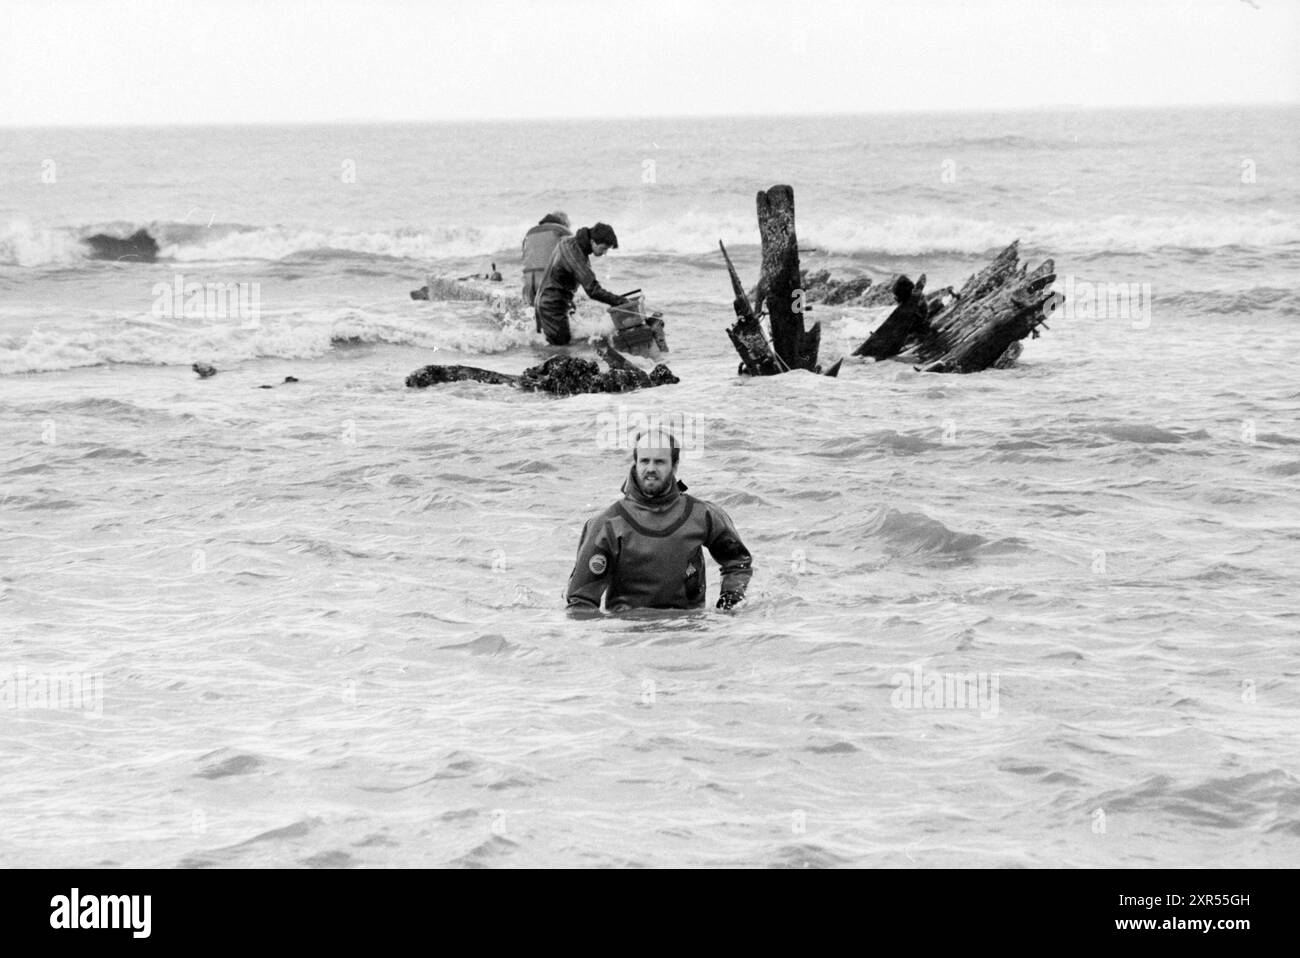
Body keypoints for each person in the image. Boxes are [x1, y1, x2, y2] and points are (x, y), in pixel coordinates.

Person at [565, 428, 754, 613]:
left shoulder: (701, 514)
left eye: (660, 462)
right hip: (627, 633)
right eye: (644, 461)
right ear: (635, 463)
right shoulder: (607, 524)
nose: (651, 469)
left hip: (692, 632)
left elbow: (738, 563)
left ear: (675, 465)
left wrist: (729, 601)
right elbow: (581, 603)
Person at [534, 222, 629, 345]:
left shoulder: (571, 242)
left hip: (549, 301)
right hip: (551, 306)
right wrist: (620, 301)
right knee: (560, 348)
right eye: (603, 248)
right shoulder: (575, 253)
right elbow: (593, 290)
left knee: (558, 344)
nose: (604, 253)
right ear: (593, 241)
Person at [852, 275, 931, 360]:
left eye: (896, 296)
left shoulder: (911, 306)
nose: (895, 299)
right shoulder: (915, 301)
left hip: (915, 332)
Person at [521, 212, 571, 310]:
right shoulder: (563, 231)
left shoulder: (530, 232)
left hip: (528, 285)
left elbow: (525, 257)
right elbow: (574, 259)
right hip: (549, 284)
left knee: (532, 315)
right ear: (565, 224)